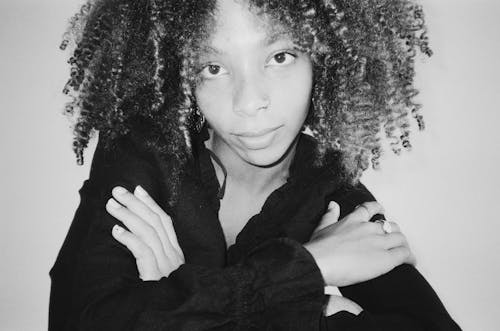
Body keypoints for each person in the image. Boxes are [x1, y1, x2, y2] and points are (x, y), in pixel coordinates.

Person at [49, 0, 461, 330]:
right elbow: (77, 320)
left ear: (325, 59)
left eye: (280, 56)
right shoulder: (143, 150)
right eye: (213, 68)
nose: (248, 103)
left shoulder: (332, 192)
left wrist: (182, 300)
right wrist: (311, 271)